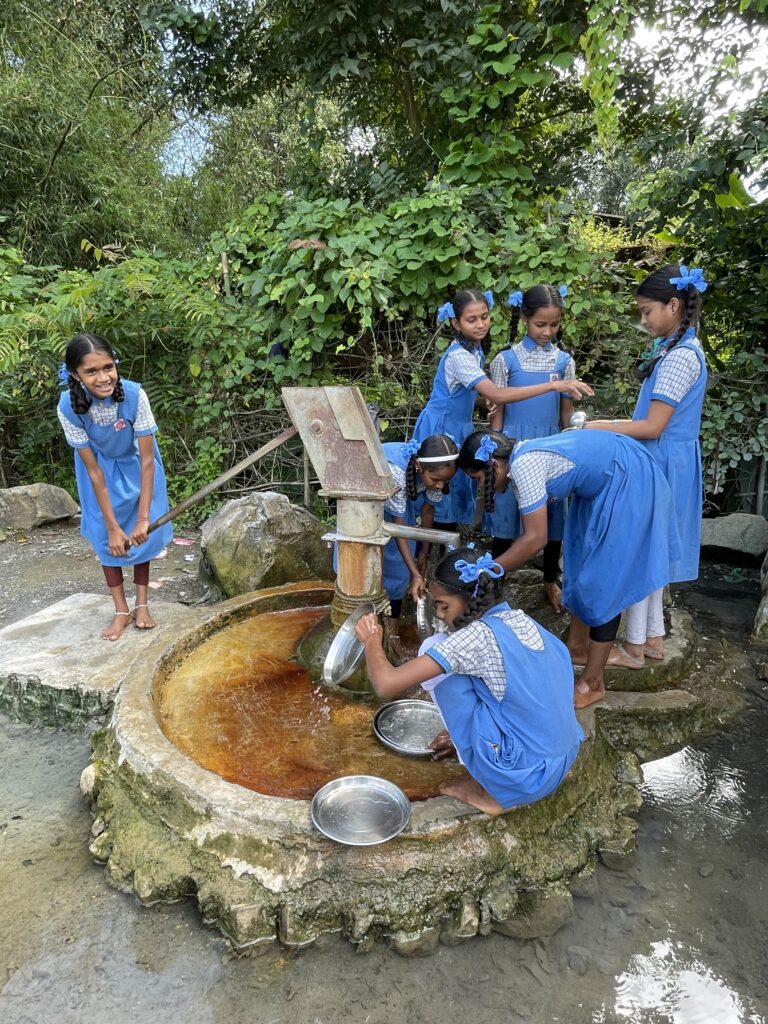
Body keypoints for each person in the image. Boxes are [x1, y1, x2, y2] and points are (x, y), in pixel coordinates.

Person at [354, 546, 583, 815]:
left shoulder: (475, 637)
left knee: (434, 650)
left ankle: (490, 790)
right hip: (559, 760)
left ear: (470, 599)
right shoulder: (521, 621)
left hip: (523, 778)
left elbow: (385, 683)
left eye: (443, 605)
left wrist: (371, 640)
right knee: (455, 662)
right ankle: (481, 757)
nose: (439, 614)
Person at [457, 429, 678, 708]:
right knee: (578, 562)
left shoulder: (524, 465)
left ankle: (593, 683)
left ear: (495, 465)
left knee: (601, 580)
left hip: (628, 478)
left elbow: (535, 538)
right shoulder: (521, 459)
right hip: (598, 488)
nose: (481, 486)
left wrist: (487, 569)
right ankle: (577, 647)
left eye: (478, 478)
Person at [586, 264, 709, 668]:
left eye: (647, 311)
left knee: (640, 550)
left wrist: (601, 425)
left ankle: (634, 647)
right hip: (670, 460)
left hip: (661, 462)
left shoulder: (678, 359)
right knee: (652, 549)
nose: (643, 320)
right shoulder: (679, 348)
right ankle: (653, 638)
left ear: (673, 305)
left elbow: (654, 425)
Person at [411, 288, 593, 528]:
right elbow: (497, 394)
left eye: (484, 317)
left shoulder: (474, 350)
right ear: (456, 323)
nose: (480, 325)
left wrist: (480, 400)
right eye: (471, 319)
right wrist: (553, 386)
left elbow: (460, 393)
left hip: (457, 425)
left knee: (451, 494)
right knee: (440, 491)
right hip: (442, 428)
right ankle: (433, 550)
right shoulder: (459, 356)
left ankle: (444, 551)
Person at [57, 333, 172, 640]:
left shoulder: (135, 395)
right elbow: (93, 472)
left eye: (108, 367)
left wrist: (143, 517)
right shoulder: (68, 408)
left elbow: (147, 460)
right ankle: (121, 610)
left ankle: (143, 604)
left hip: (139, 468)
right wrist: (111, 526)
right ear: (75, 374)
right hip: (99, 474)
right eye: (91, 371)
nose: (103, 377)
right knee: (108, 541)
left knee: (141, 538)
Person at [487, 284, 577, 613]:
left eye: (554, 325)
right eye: (540, 324)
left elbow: (565, 417)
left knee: (553, 521)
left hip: (551, 450)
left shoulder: (564, 362)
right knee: (506, 520)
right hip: (512, 451)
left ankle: (550, 581)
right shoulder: (505, 361)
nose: (547, 332)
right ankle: (493, 586)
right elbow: (497, 419)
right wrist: (499, 460)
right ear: (525, 318)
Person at [380, 434, 458, 637]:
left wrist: (423, 554)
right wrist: (416, 574)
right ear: (418, 466)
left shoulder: (438, 472)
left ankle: (392, 634)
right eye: (435, 480)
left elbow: (428, 510)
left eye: (445, 480)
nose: (440, 485)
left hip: (400, 511)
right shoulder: (396, 471)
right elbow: (398, 528)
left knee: (399, 570)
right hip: (372, 504)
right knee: (378, 563)